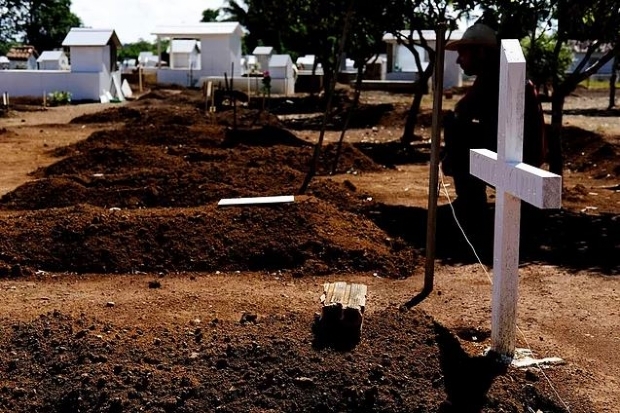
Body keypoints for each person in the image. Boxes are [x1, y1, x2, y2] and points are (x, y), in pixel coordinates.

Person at [441, 23, 546, 222]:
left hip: (519, 157)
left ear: (480, 52)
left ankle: (470, 202)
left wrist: (451, 156)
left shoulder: (492, 75)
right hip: (525, 152)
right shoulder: (497, 71)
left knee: (455, 126)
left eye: (463, 52)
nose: (458, 60)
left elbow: (462, 110)